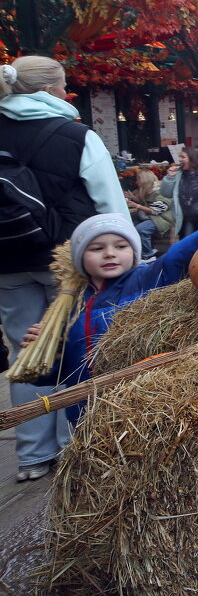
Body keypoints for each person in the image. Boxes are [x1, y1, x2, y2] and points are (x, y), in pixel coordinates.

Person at [0, 55, 125, 482]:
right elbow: (109, 202)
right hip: (69, 260)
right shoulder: (75, 135)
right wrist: (123, 251)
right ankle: (72, 444)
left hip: (8, 258)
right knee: (74, 345)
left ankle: (33, 455)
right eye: (64, 85)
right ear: (51, 90)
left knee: (25, 350)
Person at [21, 210, 198, 427]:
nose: (110, 253)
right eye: (97, 248)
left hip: (132, 407)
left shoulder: (145, 280)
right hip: (83, 412)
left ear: (134, 251)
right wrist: (43, 352)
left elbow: (175, 258)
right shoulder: (68, 306)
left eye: (121, 246)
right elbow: (61, 372)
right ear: (79, 257)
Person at [126, 169, 173, 262]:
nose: (136, 182)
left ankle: (147, 254)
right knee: (132, 225)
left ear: (144, 180)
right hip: (154, 218)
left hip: (162, 219)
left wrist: (136, 206)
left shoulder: (160, 192)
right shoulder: (150, 191)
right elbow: (148, 203)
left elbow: (155, 210)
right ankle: (145, 249)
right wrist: (133, 198)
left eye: (138, 180)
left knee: (141, 229)